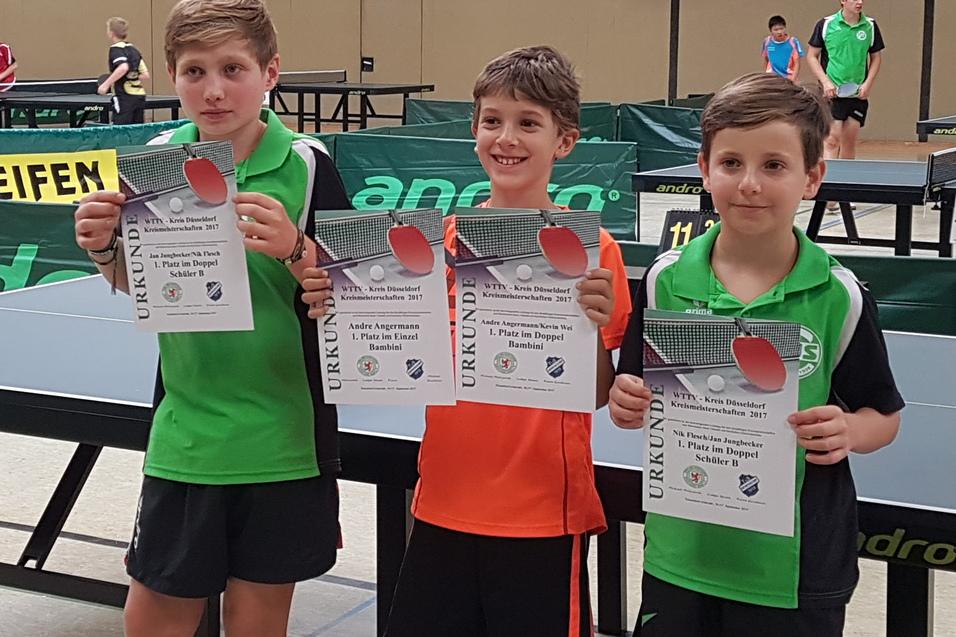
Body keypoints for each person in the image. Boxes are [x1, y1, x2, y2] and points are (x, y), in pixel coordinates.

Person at [303, 45, 631, 636]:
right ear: (474, 130)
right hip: (443, 501)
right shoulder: (438, 246)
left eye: (528, 123)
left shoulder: (594, 252)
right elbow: (390, 354)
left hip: (542, 516)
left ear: (564, 141)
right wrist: (338, 308)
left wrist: (590, 329)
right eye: (492, 121)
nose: (506, 138)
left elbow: (595, 395)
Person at [73, 1, 351, 635]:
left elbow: (356, 303)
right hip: (186, 434)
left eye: (233, 69)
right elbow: (141, 285)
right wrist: (104, 249)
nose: (214, 90)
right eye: (194, 71)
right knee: (152, 618)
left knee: (257, 623)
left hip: (283, 442)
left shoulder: (308, 164)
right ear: (173, 76)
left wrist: (296, 249)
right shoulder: (157, 160)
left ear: (270, 72)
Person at [609, 73, 903, 637]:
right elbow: (632, 394)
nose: (749, 184)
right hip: (681, 556)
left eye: (773, 165)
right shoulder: (665, 281)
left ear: (811, 177)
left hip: (795, 569)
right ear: (705, 169)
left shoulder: (839, 296)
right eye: (731, 163)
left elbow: (883, 417)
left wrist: (848, 430)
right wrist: (626, 403)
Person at [806, 0, 884, 211]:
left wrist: (868, 84)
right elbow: (812, 56)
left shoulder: (870, 26)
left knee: (849, 141)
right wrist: (825, 82)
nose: (859, 2)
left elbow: (876, 58)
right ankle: (828, 192)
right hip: (832, 94)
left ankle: (844, 193)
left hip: (857, 94)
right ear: (843, 1)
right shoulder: (826, 24)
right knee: (831, 140)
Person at [98, 17, 151, 124]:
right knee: (137, 130)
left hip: (124, 97)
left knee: (121, 130)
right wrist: (131, 76)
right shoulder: (134, 50)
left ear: (111, 33)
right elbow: (145, 75)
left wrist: (105, 84)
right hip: (139, 96)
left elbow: (123, 67)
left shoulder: (116, 49)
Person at [761, 15, 804, 81]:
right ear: (770, 30)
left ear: (785, 28)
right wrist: (765, 76)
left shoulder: (793, 42)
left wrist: (793, 80)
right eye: (776, 30)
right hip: (772, 77)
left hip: (788, 78)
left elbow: (797, 63)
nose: (779, 32)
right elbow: (765, 59)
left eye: (781, 29)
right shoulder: (767, 42)